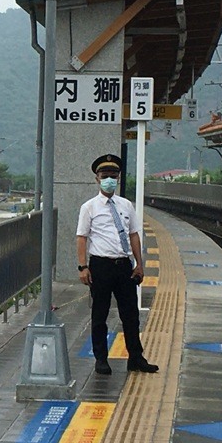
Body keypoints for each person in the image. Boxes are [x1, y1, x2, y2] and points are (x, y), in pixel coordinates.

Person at [76, 154, 159, 375]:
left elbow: (134, 235)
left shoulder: (126, 205)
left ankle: (136, 357)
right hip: (100, 267)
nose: (110, 180)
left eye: (114, 176)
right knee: (100, 314)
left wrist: (139, 264)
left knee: (130, 314)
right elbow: (81, 237)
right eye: (105, 176)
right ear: (97, 179)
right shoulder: (89, 207)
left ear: (119, 178)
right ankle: (101, 358)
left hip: (124, 266)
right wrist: (82, 267)